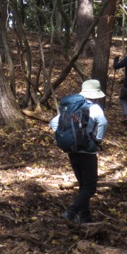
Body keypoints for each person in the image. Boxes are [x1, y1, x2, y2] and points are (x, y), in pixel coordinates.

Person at [50, 79, 108, 224]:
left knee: (83, 185)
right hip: (87, 152)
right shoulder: (94, 108)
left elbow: (53, 122)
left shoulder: (71, 108)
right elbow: (103, 122)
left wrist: (65, 135)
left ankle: (85, 217)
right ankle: (72, 211)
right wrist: (98, 139)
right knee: (90, 187)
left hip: (72, 150)